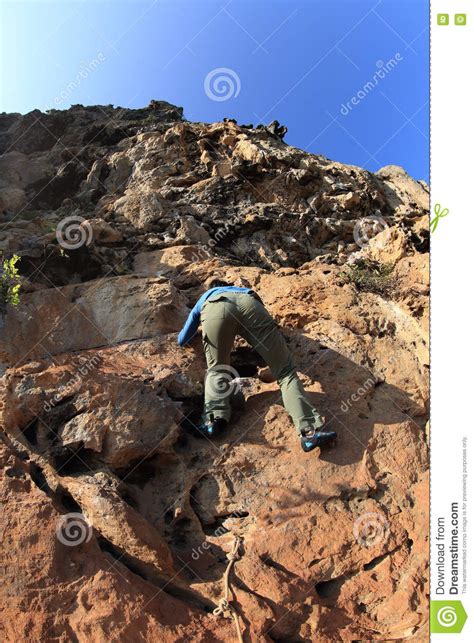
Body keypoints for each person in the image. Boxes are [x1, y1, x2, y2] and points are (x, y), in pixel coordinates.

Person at [177, 279, 337, 452]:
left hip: (215, 308)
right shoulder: (241, 290)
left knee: (217, 369)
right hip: (251, 304)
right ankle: (308, 433)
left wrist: (185, 339)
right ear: (226, 284)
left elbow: (183, 337)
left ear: (213, 288)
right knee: (286, 373)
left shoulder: (207, 296)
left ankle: (213, 421)